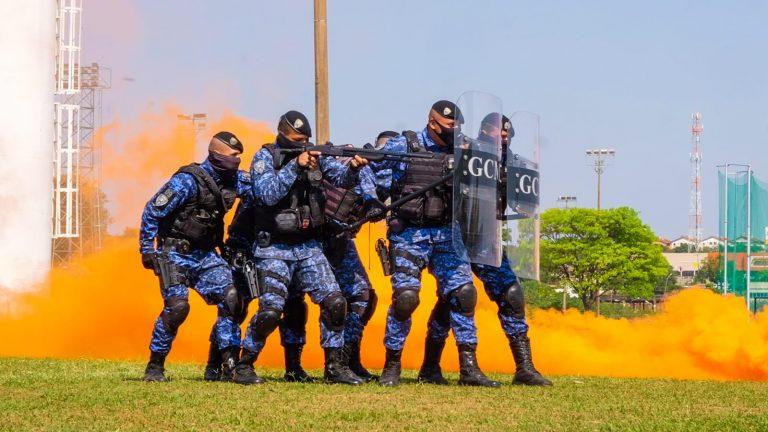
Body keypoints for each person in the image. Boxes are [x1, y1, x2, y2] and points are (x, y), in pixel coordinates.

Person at [233, 110, 370, 385]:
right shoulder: (265, 157)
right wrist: (295, 166)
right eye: (297, 140)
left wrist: (354, 168)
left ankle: (334, 367)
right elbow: (266, 194)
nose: (303, 145)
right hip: (273, 248)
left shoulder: (316, 157)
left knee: (335, 302)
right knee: (271, 311)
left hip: (308, 246)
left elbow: (341, 178)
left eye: (306, 140)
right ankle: (244, 365)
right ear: (282, 134)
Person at [369, 100, 498, 387]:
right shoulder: (404, 145)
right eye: (450, 125)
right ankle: (392, 365)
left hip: (447, 233)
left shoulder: (465, 149)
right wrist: (372, 200)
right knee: (406, 298)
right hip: (409, 234)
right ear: (433, 123)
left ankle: (468, 368)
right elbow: (368, 166)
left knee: (464, 294)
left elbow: (490, 176)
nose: (456, 130)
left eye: (459, 126)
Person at [418, 115, 552, 386]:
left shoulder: (513, 163)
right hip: (454, 237)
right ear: (483, 130)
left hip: (486, 239)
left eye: (506, 132)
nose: (502, 136)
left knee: (511, 295)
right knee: (457, 298)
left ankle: (525, 368)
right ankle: (433, 366)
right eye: (496, 130)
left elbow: (523, 202)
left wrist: (525, 200)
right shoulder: (464, 151)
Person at [139, 132, 249, 382]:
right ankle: (155, 366)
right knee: (177, 308)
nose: (237, 161)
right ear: (216, 154)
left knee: (232, 298)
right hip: (174, 253)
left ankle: (226, 365)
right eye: (233, 155)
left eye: (239, 157)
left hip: (205, 254)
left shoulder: (235, 181)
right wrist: (146, 248)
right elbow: (152, 210)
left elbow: (264, 188)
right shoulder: (187, 181)